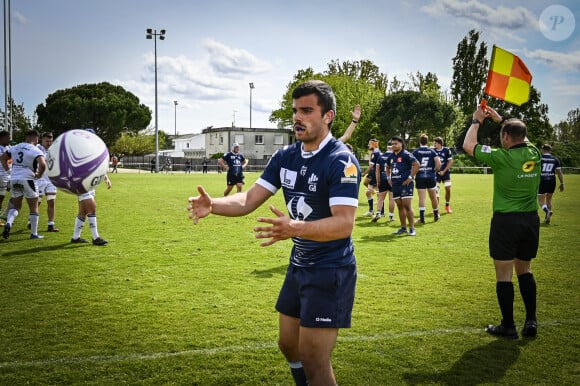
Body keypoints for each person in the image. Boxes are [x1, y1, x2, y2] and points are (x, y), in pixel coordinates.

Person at [188, 80, 360, 386]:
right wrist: (213, 204)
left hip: (330, 270)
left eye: (307, 110)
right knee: (287, 344)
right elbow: (248, 198)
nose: (298, 117)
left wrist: (295, 228)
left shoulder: (341, 160)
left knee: (315, 358)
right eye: (295, 110)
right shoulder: (286, 157)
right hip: (299, 266)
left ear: (328, 116)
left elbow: (344, 224)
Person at [463, 105, 541, 339]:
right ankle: (531, 321)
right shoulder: (534, 153)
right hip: (530, 221)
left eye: (502, 135)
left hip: (505, 222)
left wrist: (477, 120)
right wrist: (501, 120)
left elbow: (468, 146)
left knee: (504, 275)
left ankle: (508, 326)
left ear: (506, 137)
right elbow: (522, 134)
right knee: (524, 271)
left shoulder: (500, 156)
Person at [0, 130, 46, 240]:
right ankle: (34, 234)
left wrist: (8, 170)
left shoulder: (16, 147)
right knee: (34, 208)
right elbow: (43, 164)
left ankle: (9, 224)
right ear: (36, 138)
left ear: (26, 137)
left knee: (16, 206)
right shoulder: (35, 149)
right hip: (28, 179)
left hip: (14, 179)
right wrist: (39, 175)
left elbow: (3, 158)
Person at [387, 136, 419, 236]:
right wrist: (389, 178)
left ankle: (412, 228)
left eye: (396, 143)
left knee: (407, 205)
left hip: (406, 184)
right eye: (392, 144)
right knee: (399, 206)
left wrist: (410, 177)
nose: (393, 145)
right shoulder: (391, 157)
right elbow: (387, 167)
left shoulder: (406, 155)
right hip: (395, 184)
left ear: (401, 144)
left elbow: (417, 164)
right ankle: (403, 228)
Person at [413, 134, 441, 224]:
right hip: (430, 176)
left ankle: (422, 218)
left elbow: (412, 164)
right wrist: (434, 170)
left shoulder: (416, 152)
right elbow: (439, 163)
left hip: (420, 176)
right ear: (427, 142)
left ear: (419, 141)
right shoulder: (432, 151)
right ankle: (436, 215)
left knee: (422, 198)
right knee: (433, 196)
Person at [35, 132, 59, 232]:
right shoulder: (36, 148)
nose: (49, 143)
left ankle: (51, 225)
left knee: (51, 202)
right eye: (46, 141)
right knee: (37, 202)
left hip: (50, 180)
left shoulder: (54, 150)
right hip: (39, 179)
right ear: (42, 140)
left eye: (50, 141)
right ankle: (31, 220)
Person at [538, 144, 564, 224]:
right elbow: (559, 172)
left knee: (541, 201)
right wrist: (562, 183)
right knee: (549, 200)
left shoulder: (540, 158)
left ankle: (547, 211)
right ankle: (547, 219)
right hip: (552, 180)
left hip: (542, 180)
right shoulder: (555, 159)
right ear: (550, 150)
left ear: (543, 150)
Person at [372, 144, 395, 222]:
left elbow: (377, 170)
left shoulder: (381, 156)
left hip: (383, 178)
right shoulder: (394, 156)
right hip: (392, 179)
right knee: (392, 198)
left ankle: (378, 213)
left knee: (381, 198)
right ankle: (391, 217)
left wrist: (377, 181)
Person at [433, 137, 454, 213]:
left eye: (435, 143)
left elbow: (451, 161)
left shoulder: (446, 150)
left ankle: (447, 206)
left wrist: (444, 171)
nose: (434, 144)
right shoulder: (432, 151)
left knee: (448, 188)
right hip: (436, 174)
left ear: (439, 143)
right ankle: (436, 208)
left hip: (445, 173)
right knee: (436, 190)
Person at [361, 138, 381, 216]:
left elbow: (371, 166)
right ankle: (372, 210)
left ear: (373, 144)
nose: (368, 145)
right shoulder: (376, 152)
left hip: (374, 174)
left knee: (370, 191)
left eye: (369, 144)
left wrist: (364, 173)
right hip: (373, 173)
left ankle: (377, 211)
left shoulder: (375, 153)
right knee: (368, 191)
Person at [0, 130, 11, 224]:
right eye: (8, 137)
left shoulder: (9, 147)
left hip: (9, 176)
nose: (9, 139)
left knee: (17, 193)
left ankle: (6, 213)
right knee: (1, 196)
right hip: (1, 176)